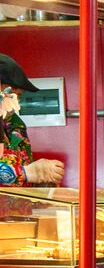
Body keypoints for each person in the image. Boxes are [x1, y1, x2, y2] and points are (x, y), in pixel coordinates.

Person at [0, 55, 63, 187]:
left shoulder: (15, 124)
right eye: (10, 92)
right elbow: (28, 172)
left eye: (18, 95)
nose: (15, 101)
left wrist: (41, 184)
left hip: (16, 207)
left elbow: (28, 169)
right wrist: (26, 173)